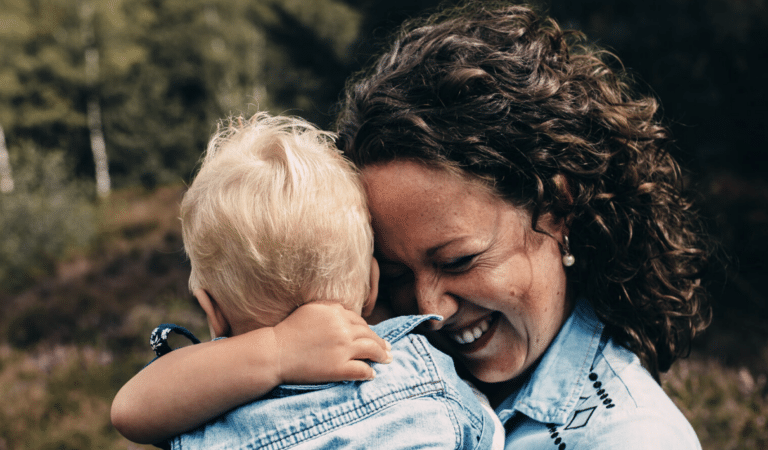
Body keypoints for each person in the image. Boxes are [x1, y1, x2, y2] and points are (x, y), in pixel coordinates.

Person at [115, 3, 712, 449]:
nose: (430, 308)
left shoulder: (627, 435)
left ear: (557, 209)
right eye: (396, 272)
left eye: (458, 261)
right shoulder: (366, 354)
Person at [111, 112, 504, 449]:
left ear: (211, 310)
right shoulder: (421, 368)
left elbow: (128, 411)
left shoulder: (196, 408)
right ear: (372, 284)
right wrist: (278, 351)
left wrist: (274, 353)